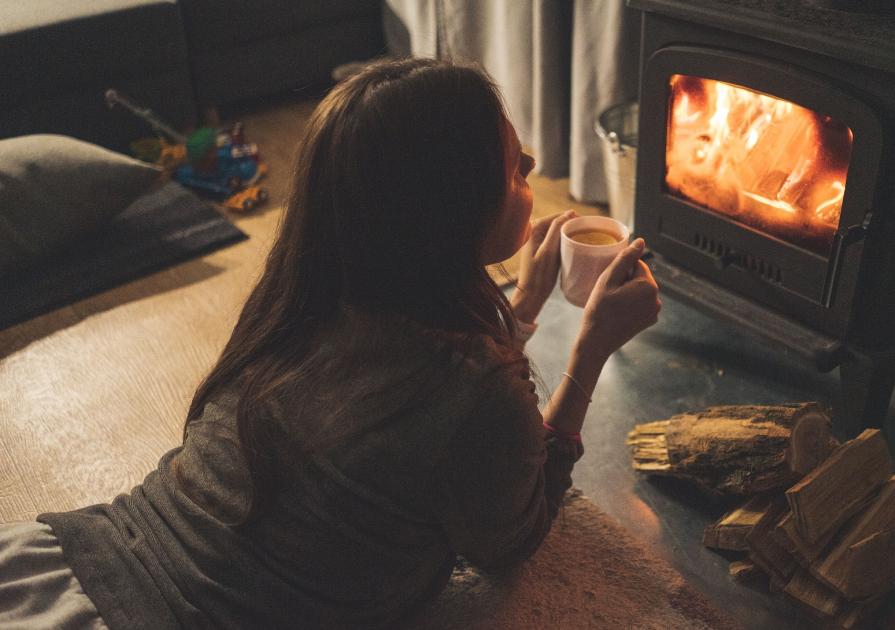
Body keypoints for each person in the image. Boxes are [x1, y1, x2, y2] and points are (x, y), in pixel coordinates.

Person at [0, 57, 661, 629]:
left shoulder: (303, 297)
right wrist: (591, 350)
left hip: (89, 557)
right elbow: (513, 536)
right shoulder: (476, 396)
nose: (533, 166)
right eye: (512, 165)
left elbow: (415, 402)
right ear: (448, 211)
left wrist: (519, 308)